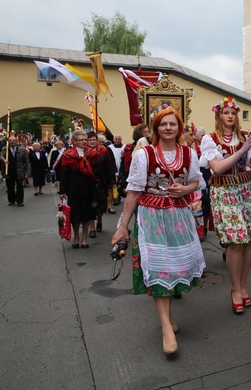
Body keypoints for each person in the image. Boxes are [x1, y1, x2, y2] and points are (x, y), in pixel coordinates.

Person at [112, 105, 205, 355]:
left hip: (179, 216)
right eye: (163, 124)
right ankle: (165, 326)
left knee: (173, 268)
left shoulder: (188, 153)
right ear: (156, 128)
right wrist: (123, 227)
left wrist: (185, 189)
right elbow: (134, 192)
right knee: (158, 269)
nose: (168, 128)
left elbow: (195, 181)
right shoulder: (144, 154)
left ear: (179, 128)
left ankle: (168, 317)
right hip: (151, 216)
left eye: (172, 124)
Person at [200, 96, 251, 314]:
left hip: (246, 189)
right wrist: (243, 149)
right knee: (236, 241)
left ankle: (243, 286)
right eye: (225, 112)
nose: (230, 116)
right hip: (225, 191)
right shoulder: (210, 139)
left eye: (233, 113)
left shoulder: (244, 137)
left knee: (248, 241)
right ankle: (235, 288)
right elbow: (218, 168)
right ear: (219, 115)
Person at [58, 130, 97, 248]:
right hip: (73, 189)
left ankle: (84, 238)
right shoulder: (67, 155)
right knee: (75, 215)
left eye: (85, 139)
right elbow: (63, 173)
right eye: (81, 140)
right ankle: (76, 236)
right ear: (74, 141)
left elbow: (97, 170)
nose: (84, 142)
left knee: (87, 214)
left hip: (88, 188)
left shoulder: (92, 153)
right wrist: (62, 190)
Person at [86, 132, 116, 237]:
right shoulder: (84, 152)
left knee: (100, 204)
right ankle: (92, 228)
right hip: (88, 181)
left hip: (101, 181)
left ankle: (99, 219)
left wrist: (112, 181)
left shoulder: (103, 150)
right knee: (89, 205)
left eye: (94, 139)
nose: (92, 142)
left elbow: (110, 166)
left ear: (97, 140)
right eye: (90, 140)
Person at [0, 136, 30, 206]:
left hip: (19, 170)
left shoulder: (22, 149)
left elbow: (27, 161)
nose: (12, 142)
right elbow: (1, 156)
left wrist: (28, 171)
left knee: (19, 186)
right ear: (8, 141)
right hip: (8, 170)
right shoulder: (5, 149)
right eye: (10, 141)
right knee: (10, 186)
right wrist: (4, 160)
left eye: (13, 140)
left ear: (16, 141)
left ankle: (20, 201)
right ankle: (11, 200)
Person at [107, 134, 125, 210]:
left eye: (118, 139)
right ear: (113, 140)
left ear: (121, 140)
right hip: (114, 168)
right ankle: (115, 198)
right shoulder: (110, 147)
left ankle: (119, 196)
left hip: (121, 168)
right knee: (114, 184)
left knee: (120, 183)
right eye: (116, 139)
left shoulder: (124, 147)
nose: (117, 140)